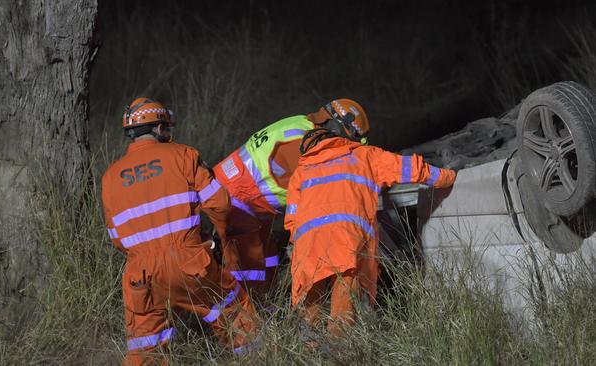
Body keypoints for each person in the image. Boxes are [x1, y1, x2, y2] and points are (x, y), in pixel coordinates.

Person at [101, 97, 258, 365]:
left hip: (140, 273)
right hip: (188, 261)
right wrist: (214, 237)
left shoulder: (109, 177)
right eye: (166, 128)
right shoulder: (183, 155)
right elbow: (220, 205)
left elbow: (117, 239)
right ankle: (258, 359)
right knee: (232, 311)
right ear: (159, 128)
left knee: (145, 346)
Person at [284, 99, 456, 336]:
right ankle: (339, 357)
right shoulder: (367, 156)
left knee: (308, 321)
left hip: (307, 249)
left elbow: (291, 220)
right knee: (341, 323)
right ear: (349, 131)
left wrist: (299, 246)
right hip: (347, 245)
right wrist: (448, 176)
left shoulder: (301, 171)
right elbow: (414, 169)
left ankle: (308, 352)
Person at [213, 103, 352, 296]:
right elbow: (310, 193)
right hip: (239, 196)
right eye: (346, 138)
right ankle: (246, 319)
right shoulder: (308, 143)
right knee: (249, 264)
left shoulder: (302, 124)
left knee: (268, 257)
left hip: (246, 194)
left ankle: (266, 308)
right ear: (335, 127)